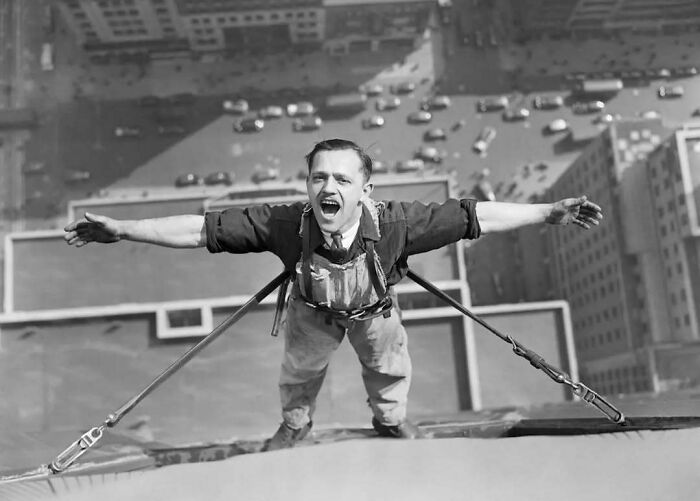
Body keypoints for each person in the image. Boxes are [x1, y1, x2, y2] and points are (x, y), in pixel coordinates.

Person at [64, 138, 603, 450]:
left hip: (374, 312)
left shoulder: (399, 223)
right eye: (319, 178)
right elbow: (199, 230)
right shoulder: (281, 223)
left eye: (343, 180)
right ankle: (294, 427)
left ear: (365, 189)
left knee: (390, 369)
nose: (329, 189)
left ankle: (389, 420)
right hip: (312, 314)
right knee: (298, 376)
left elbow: (475, 215)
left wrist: (549, 212)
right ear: (308, 187)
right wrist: (124, 230)